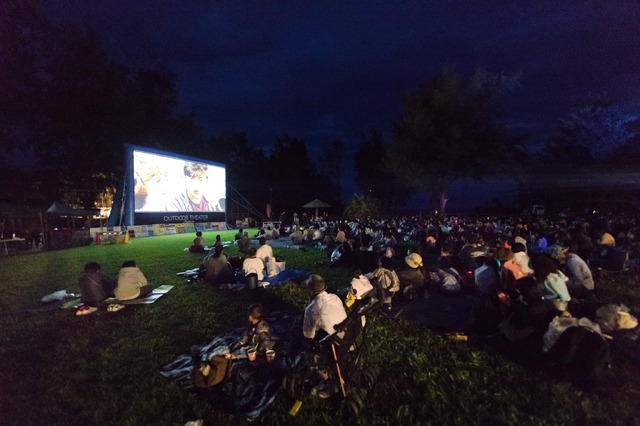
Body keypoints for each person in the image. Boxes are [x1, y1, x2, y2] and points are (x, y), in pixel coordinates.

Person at [303, 274, 347, 340]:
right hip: (347, 335)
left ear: (310, 292)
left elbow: (308, 335)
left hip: (333, 342)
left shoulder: (311, 309)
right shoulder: (335, 297)